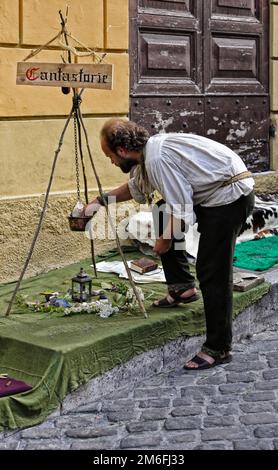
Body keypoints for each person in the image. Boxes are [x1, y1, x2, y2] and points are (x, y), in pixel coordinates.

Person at [85, 119, 255, 370]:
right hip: (215, 190)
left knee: (212, 271)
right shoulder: (149, 153)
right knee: (161, 211)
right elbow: (136, 188)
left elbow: (181, 209)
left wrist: (163, 242)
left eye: (109, 155)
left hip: (229, 198)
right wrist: (99, 202)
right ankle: (182, 288)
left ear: (121, 151)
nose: (111, 161)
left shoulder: (157, 159)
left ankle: (218, 348)